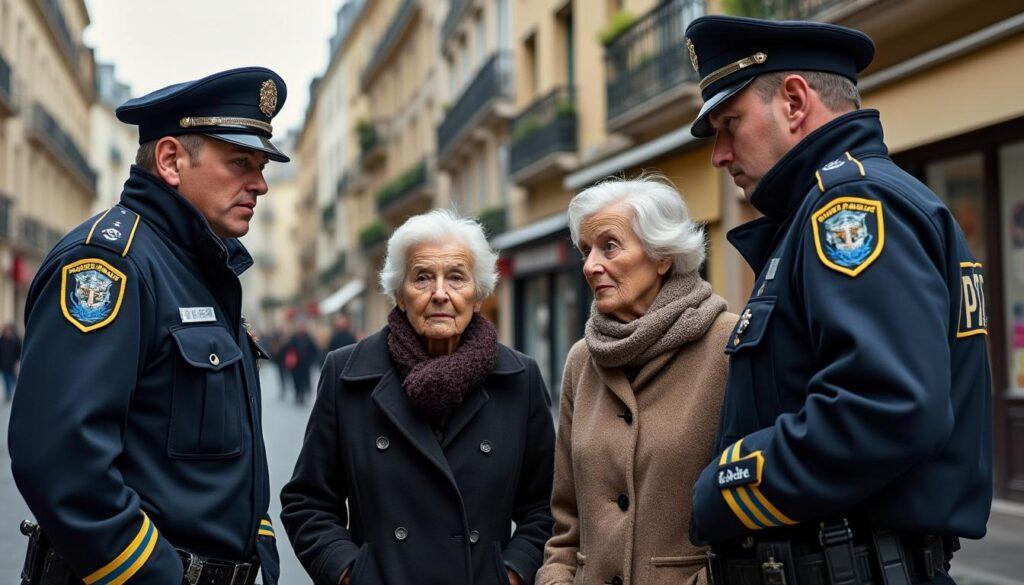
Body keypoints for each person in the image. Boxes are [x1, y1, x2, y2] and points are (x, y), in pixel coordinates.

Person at [683, 16, 991, 585]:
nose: (719, 155)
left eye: (730, 123)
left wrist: (724, 485)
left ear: (795, 101)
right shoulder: (832, 206)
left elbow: (885, 404)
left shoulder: (849, 208)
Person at [9, 67, 289, 584]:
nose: (261, 184)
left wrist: (259, 543)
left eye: (263, 165)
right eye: (240, 163)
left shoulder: (200, 267)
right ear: (170, 160)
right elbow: (62, 465)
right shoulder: (111, 263)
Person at [280, 209, 555, 585]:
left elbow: (546, 506)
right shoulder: (346, 374)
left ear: (478, 294)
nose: (440, 293)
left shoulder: (519, 379)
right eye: (423, 277)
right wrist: (351, 574)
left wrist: (510, 574)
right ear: (400, 294)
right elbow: (307, 502)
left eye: (456, 277)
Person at [536, 177, 737, 585]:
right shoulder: (581, 360)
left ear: (662, 255)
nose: (591, 266)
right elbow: (565, 520)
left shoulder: (728, 345)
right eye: (585, 250)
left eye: (609, 246)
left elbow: (750, 502)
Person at [283, 320, 318, 404]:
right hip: (295, 364)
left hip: (305, 364)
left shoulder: (308, 337)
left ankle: (302, 394)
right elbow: (287, 348)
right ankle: (298, 394)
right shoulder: (293, 337)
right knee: (296, 380)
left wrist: (312, 360)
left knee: (304, 380)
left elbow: (314, 349)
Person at [0, 324, 21, 401]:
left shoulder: (15, 340)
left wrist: (18, 362)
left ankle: (15, 394)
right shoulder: (1, 340)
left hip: (12, 365)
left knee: (13, 380)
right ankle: (9, 395)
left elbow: (19, 351)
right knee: (6, 381)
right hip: (3, 365)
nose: (7, 332)